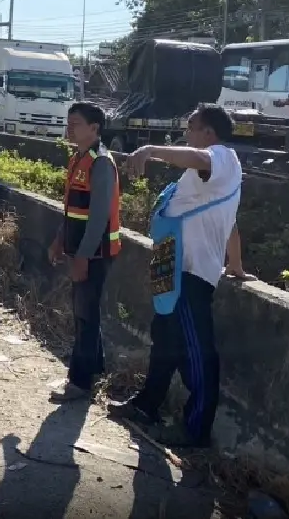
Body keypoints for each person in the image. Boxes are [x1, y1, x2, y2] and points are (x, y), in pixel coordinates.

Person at [109, 104, 251, 448]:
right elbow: (228, 220)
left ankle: (196, 429)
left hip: (191, 271)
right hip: (171, 265)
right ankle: (147, 404)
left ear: (209, 133)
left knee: (197, 350)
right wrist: (235, 263)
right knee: (165, 339)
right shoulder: (212, 176)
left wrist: (151, 150)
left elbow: (199, 160)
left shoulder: (222, 157)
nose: (187, 134)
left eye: (192, 127)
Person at [49, 102, 121, 404]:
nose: (70, 128)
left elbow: (99, 216)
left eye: (76, 123)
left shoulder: (101, 163)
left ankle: (80, 383)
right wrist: (59, 240)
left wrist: (83, 257)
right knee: (85, 313)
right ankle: (94, 367)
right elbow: (72, 210)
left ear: (95, 128)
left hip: (95, 252)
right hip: (79, 249)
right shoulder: (80, 158)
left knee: (85, 315)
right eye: (69, 122)